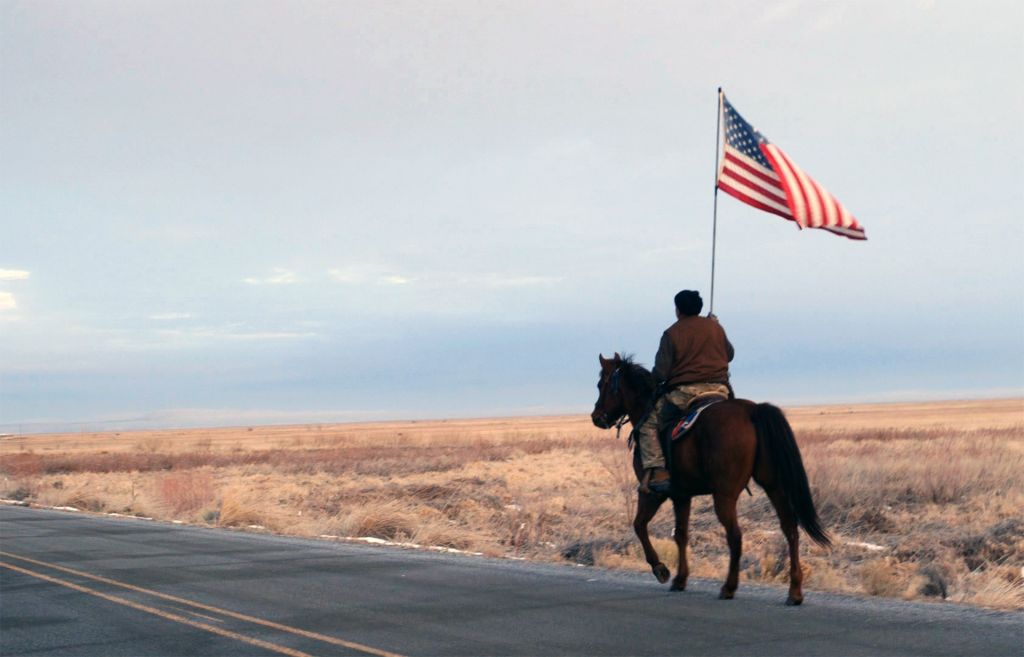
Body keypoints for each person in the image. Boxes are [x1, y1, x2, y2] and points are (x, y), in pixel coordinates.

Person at [636, 290, 734, 495]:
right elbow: (730, 354)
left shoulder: (672, 333)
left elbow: (661, 372)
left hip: (687, 393)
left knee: (648, 425)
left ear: (678, 309)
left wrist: (653, 382)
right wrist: (715, 326)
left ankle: (659, 472)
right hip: (720, 390)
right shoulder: (715, 327)